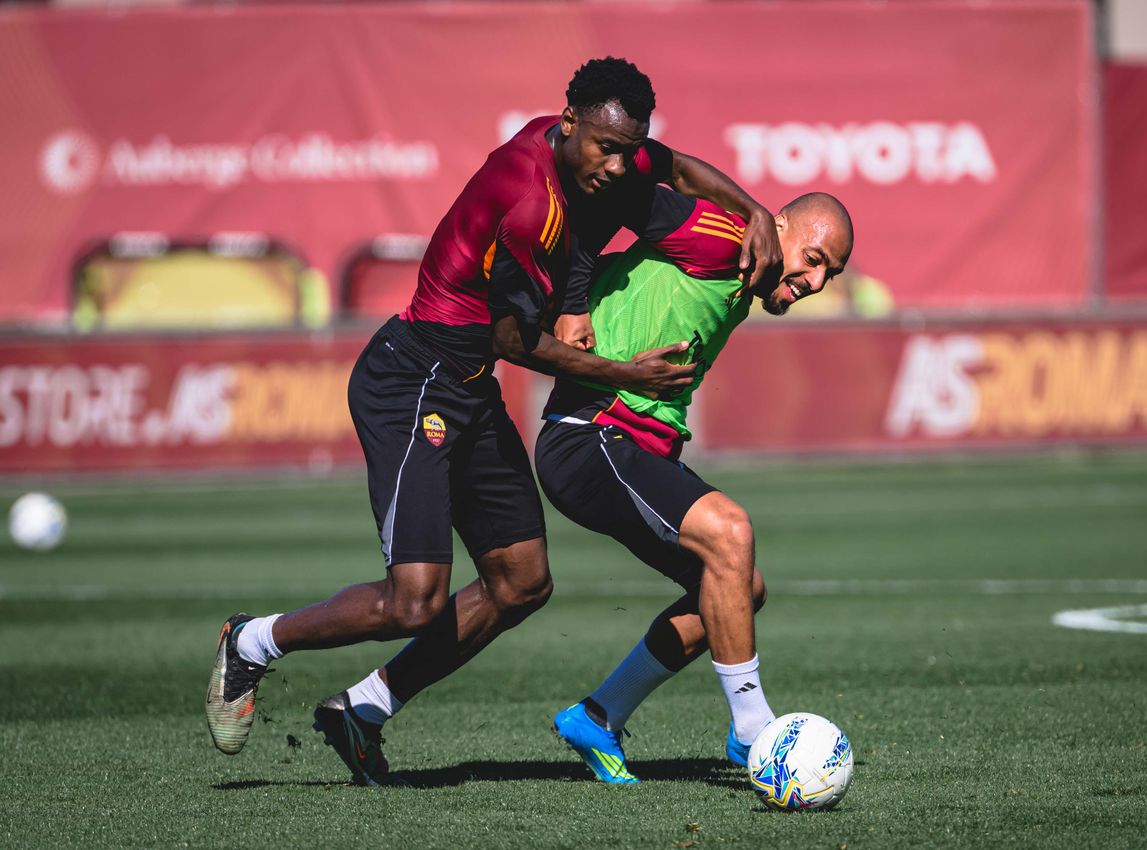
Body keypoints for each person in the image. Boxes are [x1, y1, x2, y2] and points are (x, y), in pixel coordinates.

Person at [204, 57, 782, 787]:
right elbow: (516, 341)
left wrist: (757, 210)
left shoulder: (592, 152)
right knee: (413, 600)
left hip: (470, 391)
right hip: (413, 378)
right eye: (604, 147)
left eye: (625, 150)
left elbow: (680, 170)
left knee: (521, 583)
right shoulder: (525, 199)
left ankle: (364, 710)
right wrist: (629, 374)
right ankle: (253, 642)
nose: (616, 165)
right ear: (567, 122)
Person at [535, 185, 853, 783]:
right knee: (731, 532)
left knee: (738, 588)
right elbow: (602, 205)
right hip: (590, 433)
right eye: (813, 259)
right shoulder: (723, 236)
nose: (815, 282)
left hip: (629, 444)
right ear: (778, 225)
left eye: (829, 275)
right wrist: (572, 302)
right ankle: (756, 735)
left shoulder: (745, 282)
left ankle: (599, 717)